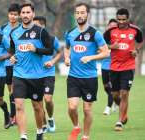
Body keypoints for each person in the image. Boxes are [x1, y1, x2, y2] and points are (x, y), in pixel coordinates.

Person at [64, 3, 109, 140]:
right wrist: (66, 58)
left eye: (82, 12)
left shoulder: (95, 33)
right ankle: (76, 127)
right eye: (77, 12)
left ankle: (85, 136)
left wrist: (91, 57)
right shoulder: (70, 33)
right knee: (72, 108)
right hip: (73, 76)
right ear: (75, 14)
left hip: (90, 77)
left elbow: (106, 52)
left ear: (87, 14)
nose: (80, 15)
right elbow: (67, 48)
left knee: (87, 109)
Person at [9, 3, 53, 140]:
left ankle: (40, 131)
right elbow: (12, 50)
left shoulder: (41, 31)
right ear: (20, 15)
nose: (25, 15)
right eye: (23, 13)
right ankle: (23, 136)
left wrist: (36, 49)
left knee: (37, 107)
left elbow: (50, 50)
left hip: (36, 76)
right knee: (19, 106)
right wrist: (12, 57)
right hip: (19, 75)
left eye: (28, 12)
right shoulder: (14, 33)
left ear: (33, 14)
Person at [104, 8, 143, 131]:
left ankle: (119, 121)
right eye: (119, 19)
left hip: (128, 67)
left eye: (123, 19)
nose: (121, 22)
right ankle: (123, 112)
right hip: (114, 67)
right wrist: (111, 46)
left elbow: (140, 41)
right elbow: (102, 45)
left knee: (125, 93)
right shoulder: (110, 31)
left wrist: (136, 50)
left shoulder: (136, 30)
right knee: (115, 95)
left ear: (128, 19)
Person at [33, 16, 62, 133]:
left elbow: (60, 52)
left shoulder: (51, 39)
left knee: (48, 99)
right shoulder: (30, 39)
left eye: (36, 26)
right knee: (38, 102)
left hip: (48, 74)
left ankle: (50, 118)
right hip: (34, 75)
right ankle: (43, 124)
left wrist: (52, 61)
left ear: (43, 26)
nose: (33, 28)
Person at [0, 3, 20, 125]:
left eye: (15, 14)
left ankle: (14, 116)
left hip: (19, 64)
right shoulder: (2, 29)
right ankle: (14, 116)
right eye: (11, 14)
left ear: (19, 16)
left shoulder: (22, 28)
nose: (13, 16)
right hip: (6, 65)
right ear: (8, 15)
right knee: (10, 90)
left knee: (15, 91)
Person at [102, 19, 119, 115]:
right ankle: (116, 100)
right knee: (106, 87)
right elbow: (100, 48)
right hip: (104, 66)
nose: (112, 27)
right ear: (108, 26)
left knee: (111, 88)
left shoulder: (118, 38)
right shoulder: (103, 37)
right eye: (111, 25)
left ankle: (108, 107)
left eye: (114, 26)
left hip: (115, 66)